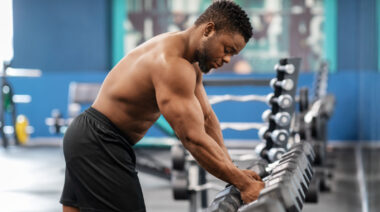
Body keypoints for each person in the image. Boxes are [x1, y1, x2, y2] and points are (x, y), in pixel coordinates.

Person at [60, 1, 265, 211]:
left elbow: (206, 118)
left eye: (233, 54)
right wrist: (243, 183)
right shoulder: (172, 64)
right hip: (99, 141)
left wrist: (233, 170)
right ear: (209, 30)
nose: (228, 59)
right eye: (227, 49)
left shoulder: (188, 60)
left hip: (89, 137)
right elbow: (192, 138)